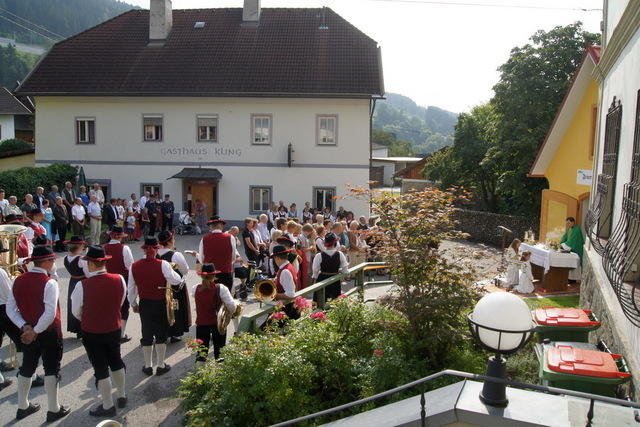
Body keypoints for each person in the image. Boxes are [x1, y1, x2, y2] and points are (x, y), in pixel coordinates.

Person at [7, 245, 70, 422]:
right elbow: (50, 313)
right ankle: (53, 409)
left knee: (27, 366)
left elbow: (11, 310)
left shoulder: (18, 280)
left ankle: (22, 406)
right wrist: (34, 330)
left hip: (28, 331)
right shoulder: (50, 282)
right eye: (53, 261)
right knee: (51, 368)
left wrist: (25, 327)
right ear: (48, 261)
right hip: (48, 332)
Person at [70, 245, 127, 417]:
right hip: (113, 327)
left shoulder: (82, 285)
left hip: (92, 330)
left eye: (87, 263)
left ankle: (108, 405)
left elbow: (76, 312)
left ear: (92, 264)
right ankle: (122, 395)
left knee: (101, 368)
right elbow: (120, 300)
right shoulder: (119, 279)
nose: (86, 265)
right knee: (116, 360)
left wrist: (90, 318)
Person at [128, 237, 183, 375]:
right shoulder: (163, 264)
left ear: (143, 249)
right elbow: (175, 280)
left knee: (146, 333)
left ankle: (147, 366)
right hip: (160, 303)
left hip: (145, 303)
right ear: (157, 248)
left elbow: (131, 289)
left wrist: (133, 304)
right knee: (161, 333)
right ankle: (160, 365)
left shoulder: (134, 265)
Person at [193, 264, 237, 361]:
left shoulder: (195, 288)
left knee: (201, 352)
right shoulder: (221, 288)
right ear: (214, 275)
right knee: (220, 351)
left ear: (201, 276)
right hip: (218, 324)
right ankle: (219, 374)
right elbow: (232, 306)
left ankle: (199, 373)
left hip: (201, 324)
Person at [157, 230, 190, 343]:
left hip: (159, 286)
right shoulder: (175, 255)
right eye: (173, 239)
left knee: (161, 308)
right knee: (176, 308)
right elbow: (185, 270)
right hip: (174, 287)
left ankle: (161, 332)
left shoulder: (154, 254)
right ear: (170, 242)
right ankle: (175, 333)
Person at [104, 226, 134, 343]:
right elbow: (129, 266)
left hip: (106, 279)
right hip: (122, 279)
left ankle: (108, 331)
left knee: (109, 305)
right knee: (124, 306)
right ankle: (120, 333)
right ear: (120, 237)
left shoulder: (104, 248)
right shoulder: (124, 248)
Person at [197, 216, 235, 291]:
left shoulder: (204, 239)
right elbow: (233, 257)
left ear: (211, 227)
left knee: (211, 297)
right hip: (226, 271)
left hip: (210, 274)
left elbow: (201, 259)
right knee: (226, 298)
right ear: (221, 226)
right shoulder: (230, 237)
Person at [312, 232, 349, 301]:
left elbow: (315, 270)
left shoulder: (319, 255)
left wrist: (315, 277)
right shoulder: (340, 254)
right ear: (335, 243)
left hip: (322, 279)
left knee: (322, 298)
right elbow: (345, 268)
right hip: (335, 279)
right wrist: (342, 273)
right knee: (334, 299)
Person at [63, 235, 88, 336]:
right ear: (79, 246)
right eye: (82, 245)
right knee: (83, 304)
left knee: (73, 303)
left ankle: (76, 327)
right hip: (82, 282)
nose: (84, 247)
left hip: (73, 281)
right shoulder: (81, 259)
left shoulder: (66, 258)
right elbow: (87, 273)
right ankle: (82, 329)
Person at [271, 245, 299, 319]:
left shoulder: (285, 271)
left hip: (286, 310)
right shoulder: (288, 266)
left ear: (277, 258)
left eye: (274, 258)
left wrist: (275, 295)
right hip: (288, 308)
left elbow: (290, 294)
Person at [560, 217, 585, 282]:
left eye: (569, 223)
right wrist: (560, 243)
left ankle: (573, 279)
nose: (568, 224)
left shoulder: (577, 229)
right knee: (569, 263)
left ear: (573, 222)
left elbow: (572, 241)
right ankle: (569, 278)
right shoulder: (570, 229)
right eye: (567, 223)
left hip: (576, 249)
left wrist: (563, 245)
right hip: (571, 250)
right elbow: (564, 237)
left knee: (574, 263)